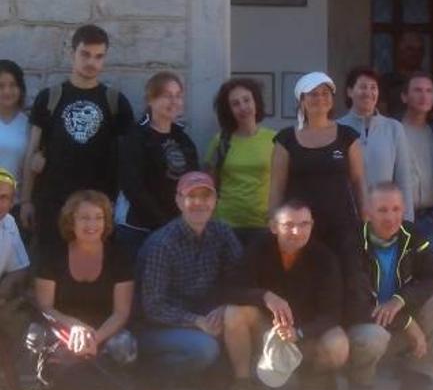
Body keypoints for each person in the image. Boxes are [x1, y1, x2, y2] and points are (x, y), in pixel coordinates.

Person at [216, 200, 348, 390]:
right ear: (273, 227)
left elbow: (332, 314)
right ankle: (244, 385)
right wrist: (265, 296)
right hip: (268, 331)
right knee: (233, 312)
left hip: (305, 333)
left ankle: (313, 378)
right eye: (289, 225)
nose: (297, 231)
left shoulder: (325, 258)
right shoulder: (258, 249)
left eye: (305, 224)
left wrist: (299, 333)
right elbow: (230, 289)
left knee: (338, 344)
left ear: (312, 225)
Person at [22, 24, 135, 247]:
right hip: (53, 205)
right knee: (50, 273)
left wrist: (117, 204)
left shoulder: (115, 102)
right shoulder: (49, 98)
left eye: (98, 56)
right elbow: (32, 152)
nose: (91, 62)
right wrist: (26, 200)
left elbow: (130, 159)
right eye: (85, 54)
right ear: (72, 53)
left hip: (98, 210)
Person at [136, 172, 243, 390]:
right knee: (204, 349)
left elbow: (241, 277)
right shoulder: (163, 243)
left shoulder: (222, 233)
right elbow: (153, 307)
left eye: (206, 196)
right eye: (191, 196)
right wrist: (196, 321)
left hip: (207, 319)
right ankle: (145, 377)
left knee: (243, 320)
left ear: (215, 201)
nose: (199, 203)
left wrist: (226, 308)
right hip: (157, 327)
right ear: (178, 201)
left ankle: (225, 381)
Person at [346, 182, 433, 390]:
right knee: (373, 337)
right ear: (367, 213)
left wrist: (400, 299)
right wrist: (407, 323)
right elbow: (355, 302)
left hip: (398, 320)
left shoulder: (412, 234)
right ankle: (360, 381)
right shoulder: (353, 242)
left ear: (404, 211)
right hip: (363, 325)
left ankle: (418, 379)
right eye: (382, 210)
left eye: (395, 209)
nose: (390, 217)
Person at [269, 71, 366, 262]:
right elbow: (276, 189)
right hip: (299, 229)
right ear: (302, 100)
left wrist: (366, 222)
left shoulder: (347, 136)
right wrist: (274, 226)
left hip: (342, 229)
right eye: (313, 94)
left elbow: (358, 181)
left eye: (325, 93)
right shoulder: (285, 139)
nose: (320, 98)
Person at [34, 190, 135, 364]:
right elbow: (45, 307)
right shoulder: (52, 256)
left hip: (105, 328)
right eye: (84, 218)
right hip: (64, 326)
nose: (92, 224)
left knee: (123, 344)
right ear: (71, 221)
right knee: (38, 338)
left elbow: (121, 313)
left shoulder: (119, 257)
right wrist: (74, 326)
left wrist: (93, 339)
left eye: (98, 217)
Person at [115, 72, 199, 255]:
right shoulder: (136, 137)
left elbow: (194, 183)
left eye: (178, 96)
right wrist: (163, 222)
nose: (174, 101)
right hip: (139, 230)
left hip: (178, 230)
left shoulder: (184, 140)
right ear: (150, 100)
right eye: (167, 96)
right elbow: (133, 187)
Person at [206, 78, 276, 246]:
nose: (243, 107)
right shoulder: (220, 141)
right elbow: (209, 184)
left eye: (247, 100)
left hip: (263, 224)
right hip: (226, 224)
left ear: (256, 102)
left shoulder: (275, 139)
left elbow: (282, 181)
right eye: (235, 104)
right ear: (229, 110)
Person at [338, 66, 414, 222]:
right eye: (363, 87)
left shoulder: (394, 128)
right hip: (348, 217)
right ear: (350, 92)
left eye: (373, 87)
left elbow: (403, 178)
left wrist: (407, 221)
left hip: (387, 217)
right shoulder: (336, 128)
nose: (368, 92)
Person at [399, 72, 433, 264]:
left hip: (431, 217)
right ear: (404, 96)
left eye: (429, 91)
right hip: (399, 218)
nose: (424, 96)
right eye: (417, 90)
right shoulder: (392, 130)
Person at [0, 169, 30, 344]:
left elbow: (20, 268)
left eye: (4, 197)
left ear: (12, 202)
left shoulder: (9, 222)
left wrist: (2, 292)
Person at [0, 60, 31, 204]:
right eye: (1, 86)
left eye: (13, 85)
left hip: (15, 204)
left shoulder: (29, 125)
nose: (7, 91)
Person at [380, 31, 426, 118]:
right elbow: (382, 114)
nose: (415, 54)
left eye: (419, 50)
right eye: (410, 49)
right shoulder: (385, 81)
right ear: (400, 52)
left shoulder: (430, 82)